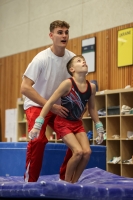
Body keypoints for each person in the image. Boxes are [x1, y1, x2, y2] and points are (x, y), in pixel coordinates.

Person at [29, 55, 104, 183]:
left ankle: (74, 183)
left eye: (84, 60)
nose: (83, 62)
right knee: (78, 152)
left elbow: (91, 108)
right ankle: (66, 182)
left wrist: (99, 127)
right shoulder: (67, 84)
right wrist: (38, 125)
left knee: (87, 152)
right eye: (79, 61)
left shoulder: (91, 87)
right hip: (63, 124)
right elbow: (49, 103)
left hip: (77, 124)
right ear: (72, 69)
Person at [21, 20, 76, 182]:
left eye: (66, 32)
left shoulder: (72, 59)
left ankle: (64, 179)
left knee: (77, 140)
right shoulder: (41, 59)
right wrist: (50, 106)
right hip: (37, 105)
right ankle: (30, 182)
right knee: (38, 139)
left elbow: (75, 87)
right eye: (60, 32)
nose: (64, 35)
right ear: (51, 36)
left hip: (58, 107)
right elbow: (25, 88)